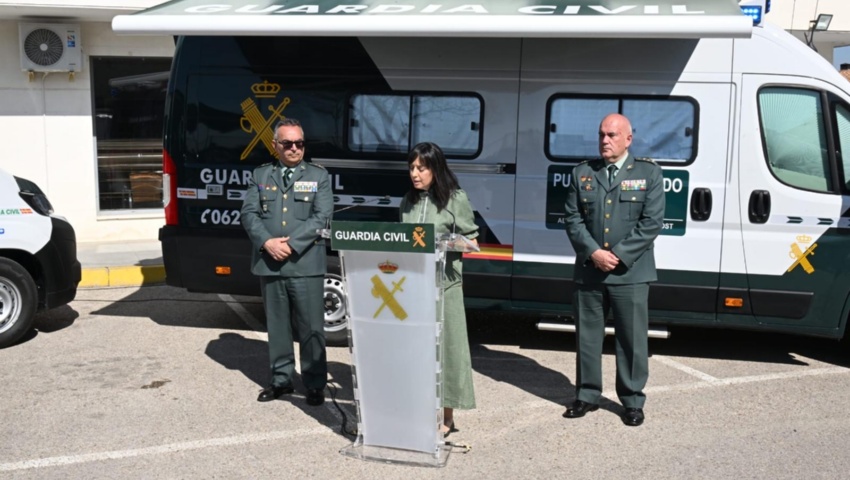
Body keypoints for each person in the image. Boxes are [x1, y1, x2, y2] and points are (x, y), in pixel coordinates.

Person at [562, 113, 665, 427]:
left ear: (628, 139)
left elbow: (651, 223)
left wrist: (617, 255)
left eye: (612, 135)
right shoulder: (583, 173)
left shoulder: (649, 173)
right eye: (601, 135)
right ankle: (587, 395)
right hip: (590, 271)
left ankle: (632, 400)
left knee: (631, 340)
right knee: (588, 338)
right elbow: (572, 219)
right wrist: (594, 252)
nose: (605, 141)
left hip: (630, 273)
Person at [241, 118, 333, 406]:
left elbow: (322, 217)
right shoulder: (260, 175)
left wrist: (291, 245)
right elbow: (249, 214)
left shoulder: (319, 177)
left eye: (299, 143)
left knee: (311, 327)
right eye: (288, 143)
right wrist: (267, 242)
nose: (294, 148)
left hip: (305, 264)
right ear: (275, 145)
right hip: (270, 262)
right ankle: (281, 380)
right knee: (278, 326)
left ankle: (315, 383)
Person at [399, 142, 478, 437]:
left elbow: (472, 240)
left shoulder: (455, 199)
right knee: (417, 351)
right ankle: (417, 410)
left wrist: (446, 243)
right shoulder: (407, 201)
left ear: (436, 169)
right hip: (414, 286)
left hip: (445, 286)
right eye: (411, 168)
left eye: (421, 168)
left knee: (447, 351)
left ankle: (447, 417)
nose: (415, 174)